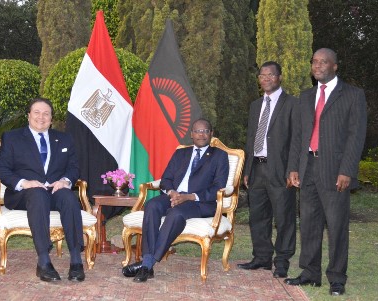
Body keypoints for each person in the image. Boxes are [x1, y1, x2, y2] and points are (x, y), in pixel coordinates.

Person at [285, 48, 367, 296]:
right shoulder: (306, 96)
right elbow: (298, 136)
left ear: (335, 66)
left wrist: (347, 171)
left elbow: (356, 136)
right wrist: (293, 167)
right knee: (309, 223)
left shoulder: (353, 95)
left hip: (335, 171)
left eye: (323, 62)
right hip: (308, 167)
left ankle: (337, 278)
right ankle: (310, 273)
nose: (317, 65)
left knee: (336, 226)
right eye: (314, 61)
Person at [122, 118, 229, 282]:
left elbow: (218, 187)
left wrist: (189, 197)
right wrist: (172, 193)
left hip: (199, 202)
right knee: (152, 205)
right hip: (174, 196)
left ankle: (147, 264)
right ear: (191, 134)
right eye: (198, 131)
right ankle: (147, 263)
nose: (201, 134)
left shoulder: (219, 156)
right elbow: (166, 179)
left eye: (205, 131)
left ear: (211, 134)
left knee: (176, 213)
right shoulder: (181, 153)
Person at [0, 98, 85, 282]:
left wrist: (65, 181)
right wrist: (24, 182)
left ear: (51, 119)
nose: (41, 117)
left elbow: (74, 167)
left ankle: (76, 260)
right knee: (37, 193)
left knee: (68, 196)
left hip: (54, 192)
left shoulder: (65, 139)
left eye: (46, 113)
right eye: (36, 112)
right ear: (28, 116)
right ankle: (43, 261)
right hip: (23, 195)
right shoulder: (12, 138)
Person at [238, 61, 299, 278]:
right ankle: (262, 258)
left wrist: (293, 169)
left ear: (279, 77)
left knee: (284, 218)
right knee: (258, 216)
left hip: (280, 171)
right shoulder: (256, 105)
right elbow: (251, 138)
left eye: (270, 75)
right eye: (262, 75)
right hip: (257, 169)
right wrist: (247, 169)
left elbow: (296, 140)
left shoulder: (292, 104)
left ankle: (282, 261)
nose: (266, 78)